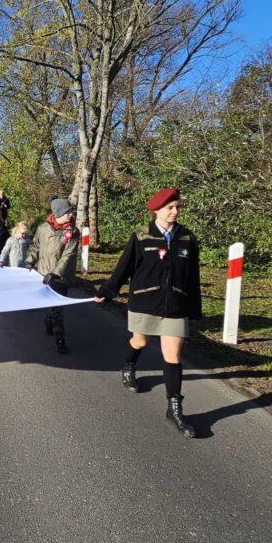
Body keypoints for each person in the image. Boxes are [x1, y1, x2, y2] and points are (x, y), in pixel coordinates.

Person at [95, 188, 202, 438]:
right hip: (145, 302)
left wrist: (194, 308)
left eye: (177, 207)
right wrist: (109, 290)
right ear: (156, 210)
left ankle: (175, 410)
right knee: (139, 340)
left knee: (173, 354)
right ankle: (129, 365)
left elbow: (192, 277)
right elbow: (125, 267)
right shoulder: (142, 236)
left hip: (176, 304)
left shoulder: (187, 238)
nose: (175, 212)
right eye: (170, 208)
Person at [27, 197, 79, 354]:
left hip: (60, 277)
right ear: (58, 213)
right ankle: (52, 326)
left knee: (57, 309)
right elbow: (35, 246)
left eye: (71, 212)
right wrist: (29, 261)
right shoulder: (43, 228)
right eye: (68, 212)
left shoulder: (72, 232)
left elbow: (68, 255)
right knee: (52, 308)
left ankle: (59, 338)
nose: (71, 215)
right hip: (43, 274)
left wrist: (55, 273)